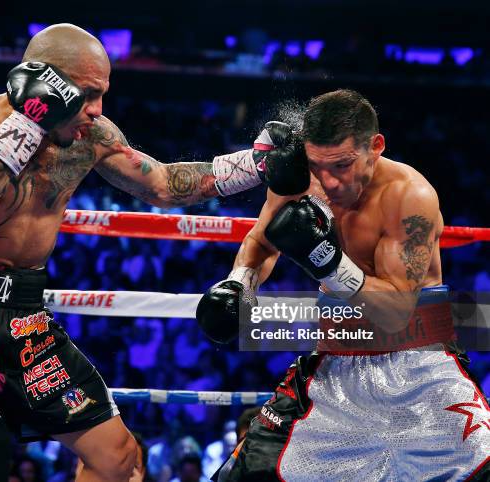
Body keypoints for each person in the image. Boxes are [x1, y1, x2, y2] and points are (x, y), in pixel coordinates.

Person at [0, 23, 292, 482]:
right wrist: (28, 122)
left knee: (117, 459)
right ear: (46, 84)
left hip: (23, 317)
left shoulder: (89, 135)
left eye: (103, 94)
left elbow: (162, 183)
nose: (97, 110)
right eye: (87, 94)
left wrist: (255, 165)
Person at [196, 89, 490, 480]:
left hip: (422, 366)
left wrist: (329, 263)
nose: (330, 182)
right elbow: (260, 243)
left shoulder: (408, 195)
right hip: (334, 365)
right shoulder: (300, 180)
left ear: (376, 146)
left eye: (343, 165)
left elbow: (396, 309)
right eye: (319, 166)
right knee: (245, 474)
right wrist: (238, 285)